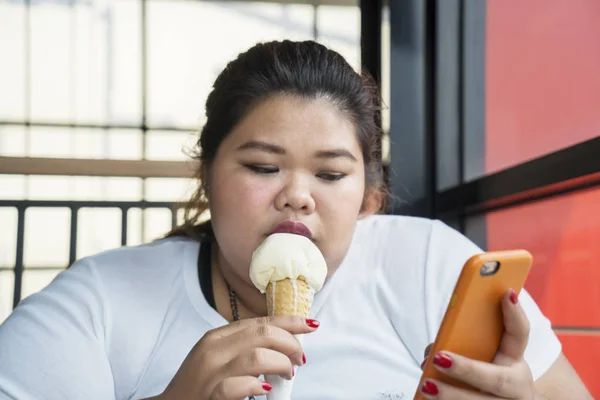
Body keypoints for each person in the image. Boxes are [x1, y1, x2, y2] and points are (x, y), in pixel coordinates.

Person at [0, 40, 592, 400]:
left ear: (369, 197)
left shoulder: (431, 268)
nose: (297, 197)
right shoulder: (100, 302)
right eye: (263, 167)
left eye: (331, 175)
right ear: (206, 174)